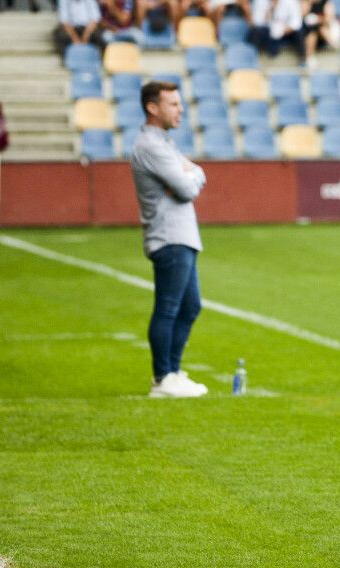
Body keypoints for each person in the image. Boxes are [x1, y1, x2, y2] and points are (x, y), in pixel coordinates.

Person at [130, 81, 210, 399]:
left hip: (182, 235)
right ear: (153, 107)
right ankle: (163, 377)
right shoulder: (151, 146)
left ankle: (173, 373)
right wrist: (188, 177)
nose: (181, 110)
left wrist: (189, 175)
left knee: (190, 306)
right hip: (169, 235)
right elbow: (189, 187)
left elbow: (194, 175)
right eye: (173, 104)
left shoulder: (164, 143)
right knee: (168, 307)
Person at [302, 0, 340, 70]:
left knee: (321, 29)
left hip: (324, 31)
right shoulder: (307, 2)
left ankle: (334, 44)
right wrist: (308, 3)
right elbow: (301, 16)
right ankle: (310, 59)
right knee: (311, 31)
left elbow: (329, 20)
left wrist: (317, 19)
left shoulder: (326, 3)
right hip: (309, 31)